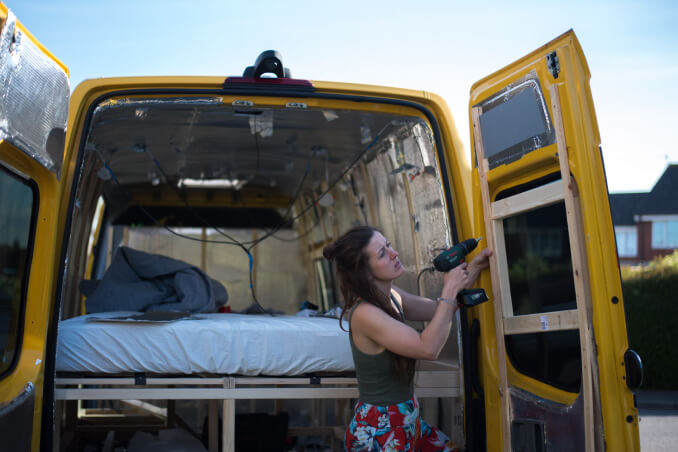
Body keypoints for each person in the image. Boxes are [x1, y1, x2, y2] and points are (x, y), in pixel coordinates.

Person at [323, 225, 492, 451]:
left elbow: (439, 311)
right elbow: (428, 348)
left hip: (407, 420)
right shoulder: (365, 313)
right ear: (364, 272)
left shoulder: (391, 295)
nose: (395, 254)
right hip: (381, 430)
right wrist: (449, 288)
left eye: (389, 245)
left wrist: (475, 267)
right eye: (382, 254)